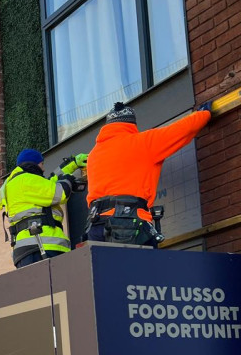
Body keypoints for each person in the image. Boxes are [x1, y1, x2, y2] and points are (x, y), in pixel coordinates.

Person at [85, 100, 212, 246]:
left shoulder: (94, 154)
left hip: (95, 227)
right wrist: (203, 114)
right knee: (140, 268)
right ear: (131, 125)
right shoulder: (143, 143)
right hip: (128, 226)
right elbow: (180, 131)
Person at [0, 148, 73, 269]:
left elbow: (48, 183)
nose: (43, 168)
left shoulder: (13, 183)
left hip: (24, 250)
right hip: (42, 245)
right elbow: (61, 193)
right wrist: (68, 180)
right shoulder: (27, 179)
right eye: (42, 164)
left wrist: (69, 166)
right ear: (33, 164)